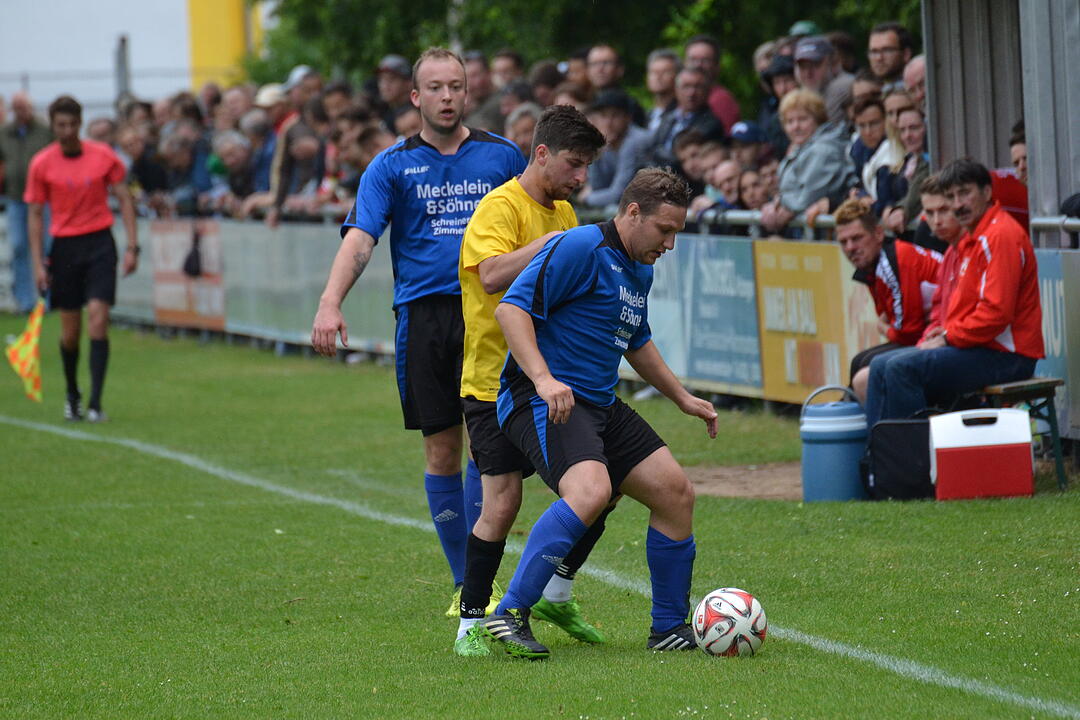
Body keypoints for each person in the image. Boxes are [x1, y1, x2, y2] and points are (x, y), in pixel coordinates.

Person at [310, 48, 526, 618]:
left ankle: (489, 578)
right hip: (423, 319)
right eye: (435, 88)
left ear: (467, 92)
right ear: (416, 97)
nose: (447, 97)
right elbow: (360, 240)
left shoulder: (503, 156)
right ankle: (467, 585)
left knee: (492, 446)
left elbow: (540, 229)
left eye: (455, 86)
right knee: (442, 448)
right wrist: (331, 302)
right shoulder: (389, 166)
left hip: (490, 316)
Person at [480, 168, 717, 659]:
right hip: (540, 398)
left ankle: (669, 627)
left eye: (677, 233)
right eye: (664, 230)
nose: (669, 244)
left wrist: (682, 398)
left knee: (676, 493)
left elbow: (637, 341)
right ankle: (509, 613)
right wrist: (546, 380)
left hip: (599, 403)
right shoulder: (580, 247)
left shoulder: (640, 267)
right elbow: (510, 310)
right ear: (632, 213)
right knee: (591, 491)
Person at [454, 104, 607, 657]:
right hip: (494, 384)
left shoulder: (565, 211)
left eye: (587, 166)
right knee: (502, 503)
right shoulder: (499, 208)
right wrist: (552, 246)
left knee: (596, 488)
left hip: (549, 382)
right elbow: (491, 275)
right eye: (573, 163)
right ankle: (471, 624)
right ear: (541, 153)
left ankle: (557, 591)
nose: (580, 177)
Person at [864, 158, 1044, 429]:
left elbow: (996, 313)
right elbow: (952, 310)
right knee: (880, 366)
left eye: (965, 193)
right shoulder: (970, 240)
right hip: (978, 347)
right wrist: (940, 334)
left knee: (902, 369)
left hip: (1008, 355)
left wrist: (948, 337)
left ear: (986, 192)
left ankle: (916, 465)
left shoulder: (1000, 236)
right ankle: (880, 465)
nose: (958, 203)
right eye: (951, 196)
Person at [25, 95, 139, 422]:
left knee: (99, 319)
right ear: (53, 125)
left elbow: (124, 199)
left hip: (100, 242)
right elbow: (35, 214)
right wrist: (37, 263)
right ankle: (72, 393)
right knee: (70, 332)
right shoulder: (42, 163)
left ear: (80, 123)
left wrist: (132, 246)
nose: (68, 131)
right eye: (61, 125)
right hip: (65, 247)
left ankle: (96, 403)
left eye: (73, 124)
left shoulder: (103, 156)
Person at [833, 198, 941, 402]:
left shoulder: (894, 262)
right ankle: (850, 425)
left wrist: (883, 329)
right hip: (927, 333)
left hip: (942, 336)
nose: (850, 247)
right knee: (860, 361)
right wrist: (889, 327)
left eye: (857, 238)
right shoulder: (873, 267)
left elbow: (907, 333)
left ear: (878, 234)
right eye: (843, 242)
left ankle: (863, 429)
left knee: (867, 369)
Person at [760, 89, 855, 235]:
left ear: (818, 119)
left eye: (802, 119)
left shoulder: (823, 149)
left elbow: (809, 197)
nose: (795, 126)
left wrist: (780, 205)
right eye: (790, 121)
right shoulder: (801, 149)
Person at [0, 91, 53, 313]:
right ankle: (24, 301)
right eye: (17, 107)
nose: (21, 111)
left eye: (25, 106)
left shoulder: (44, 131)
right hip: (16, 198)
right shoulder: (5, 133)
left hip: (43, 200)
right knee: (20, 247)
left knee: (47, 248)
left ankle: (48, 299)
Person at [579, 89, 651, 208]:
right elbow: (597, 185)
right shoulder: (605, 141)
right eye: (604, 116)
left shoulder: (636, 140)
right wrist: (597, 148)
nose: (608, 122)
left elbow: (619, 194)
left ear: (628, 118)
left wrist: (587, 199)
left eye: (615, 115)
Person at [650, 67, 724, 169]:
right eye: (686, 86)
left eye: (698, 87)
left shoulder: (711, 124)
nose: (691, 93)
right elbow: (652, 147)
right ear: (676, 89)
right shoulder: (667, 116)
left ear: (707, 91)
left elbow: (680, 158)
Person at [683, 34, 740, 133]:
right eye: (693, 59)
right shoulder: (678, 99)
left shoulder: (722, 100)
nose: (698, 65)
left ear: (717, 66)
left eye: (705, 60)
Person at [793, 36, 853, 127]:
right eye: (803, 67)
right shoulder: (805, 94)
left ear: (832, 63)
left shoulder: (843, 87)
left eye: (815, 65)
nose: (808, 73)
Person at [867, 22, 914, 87]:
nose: (879, 58)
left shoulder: (918, 91)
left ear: (906, 54)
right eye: (874, 51)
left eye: (887, 50)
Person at [645, 49, 680, 134]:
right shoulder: (646, 116)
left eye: (665, 72)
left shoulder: (682, 114)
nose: (658, 76)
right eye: (653, 72)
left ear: (678, 76)